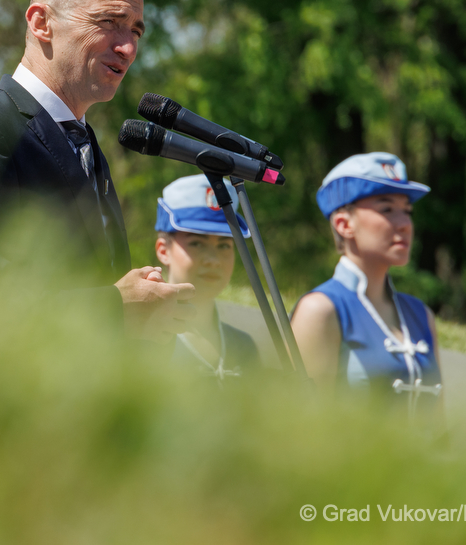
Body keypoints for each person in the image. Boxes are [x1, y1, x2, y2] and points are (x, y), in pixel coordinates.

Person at [0, 0, 193, 342]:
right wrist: (114, 304)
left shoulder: (86, 142)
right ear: (42, 23)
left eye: (135, 31)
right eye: (108, 22)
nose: (128, 48)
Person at [290, 153, 443, 419]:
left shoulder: (421, 315)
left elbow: (440, 425)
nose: (405, 224)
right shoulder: (320, 311)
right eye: (387, 210)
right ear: (344, 224)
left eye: (407, 211)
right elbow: (298, 426)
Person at [154, 175, 259, 382]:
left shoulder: (244, 347)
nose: (213, 260)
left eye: (224, 245)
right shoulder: (144, 339)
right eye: (197, 243)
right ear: (163, 250)